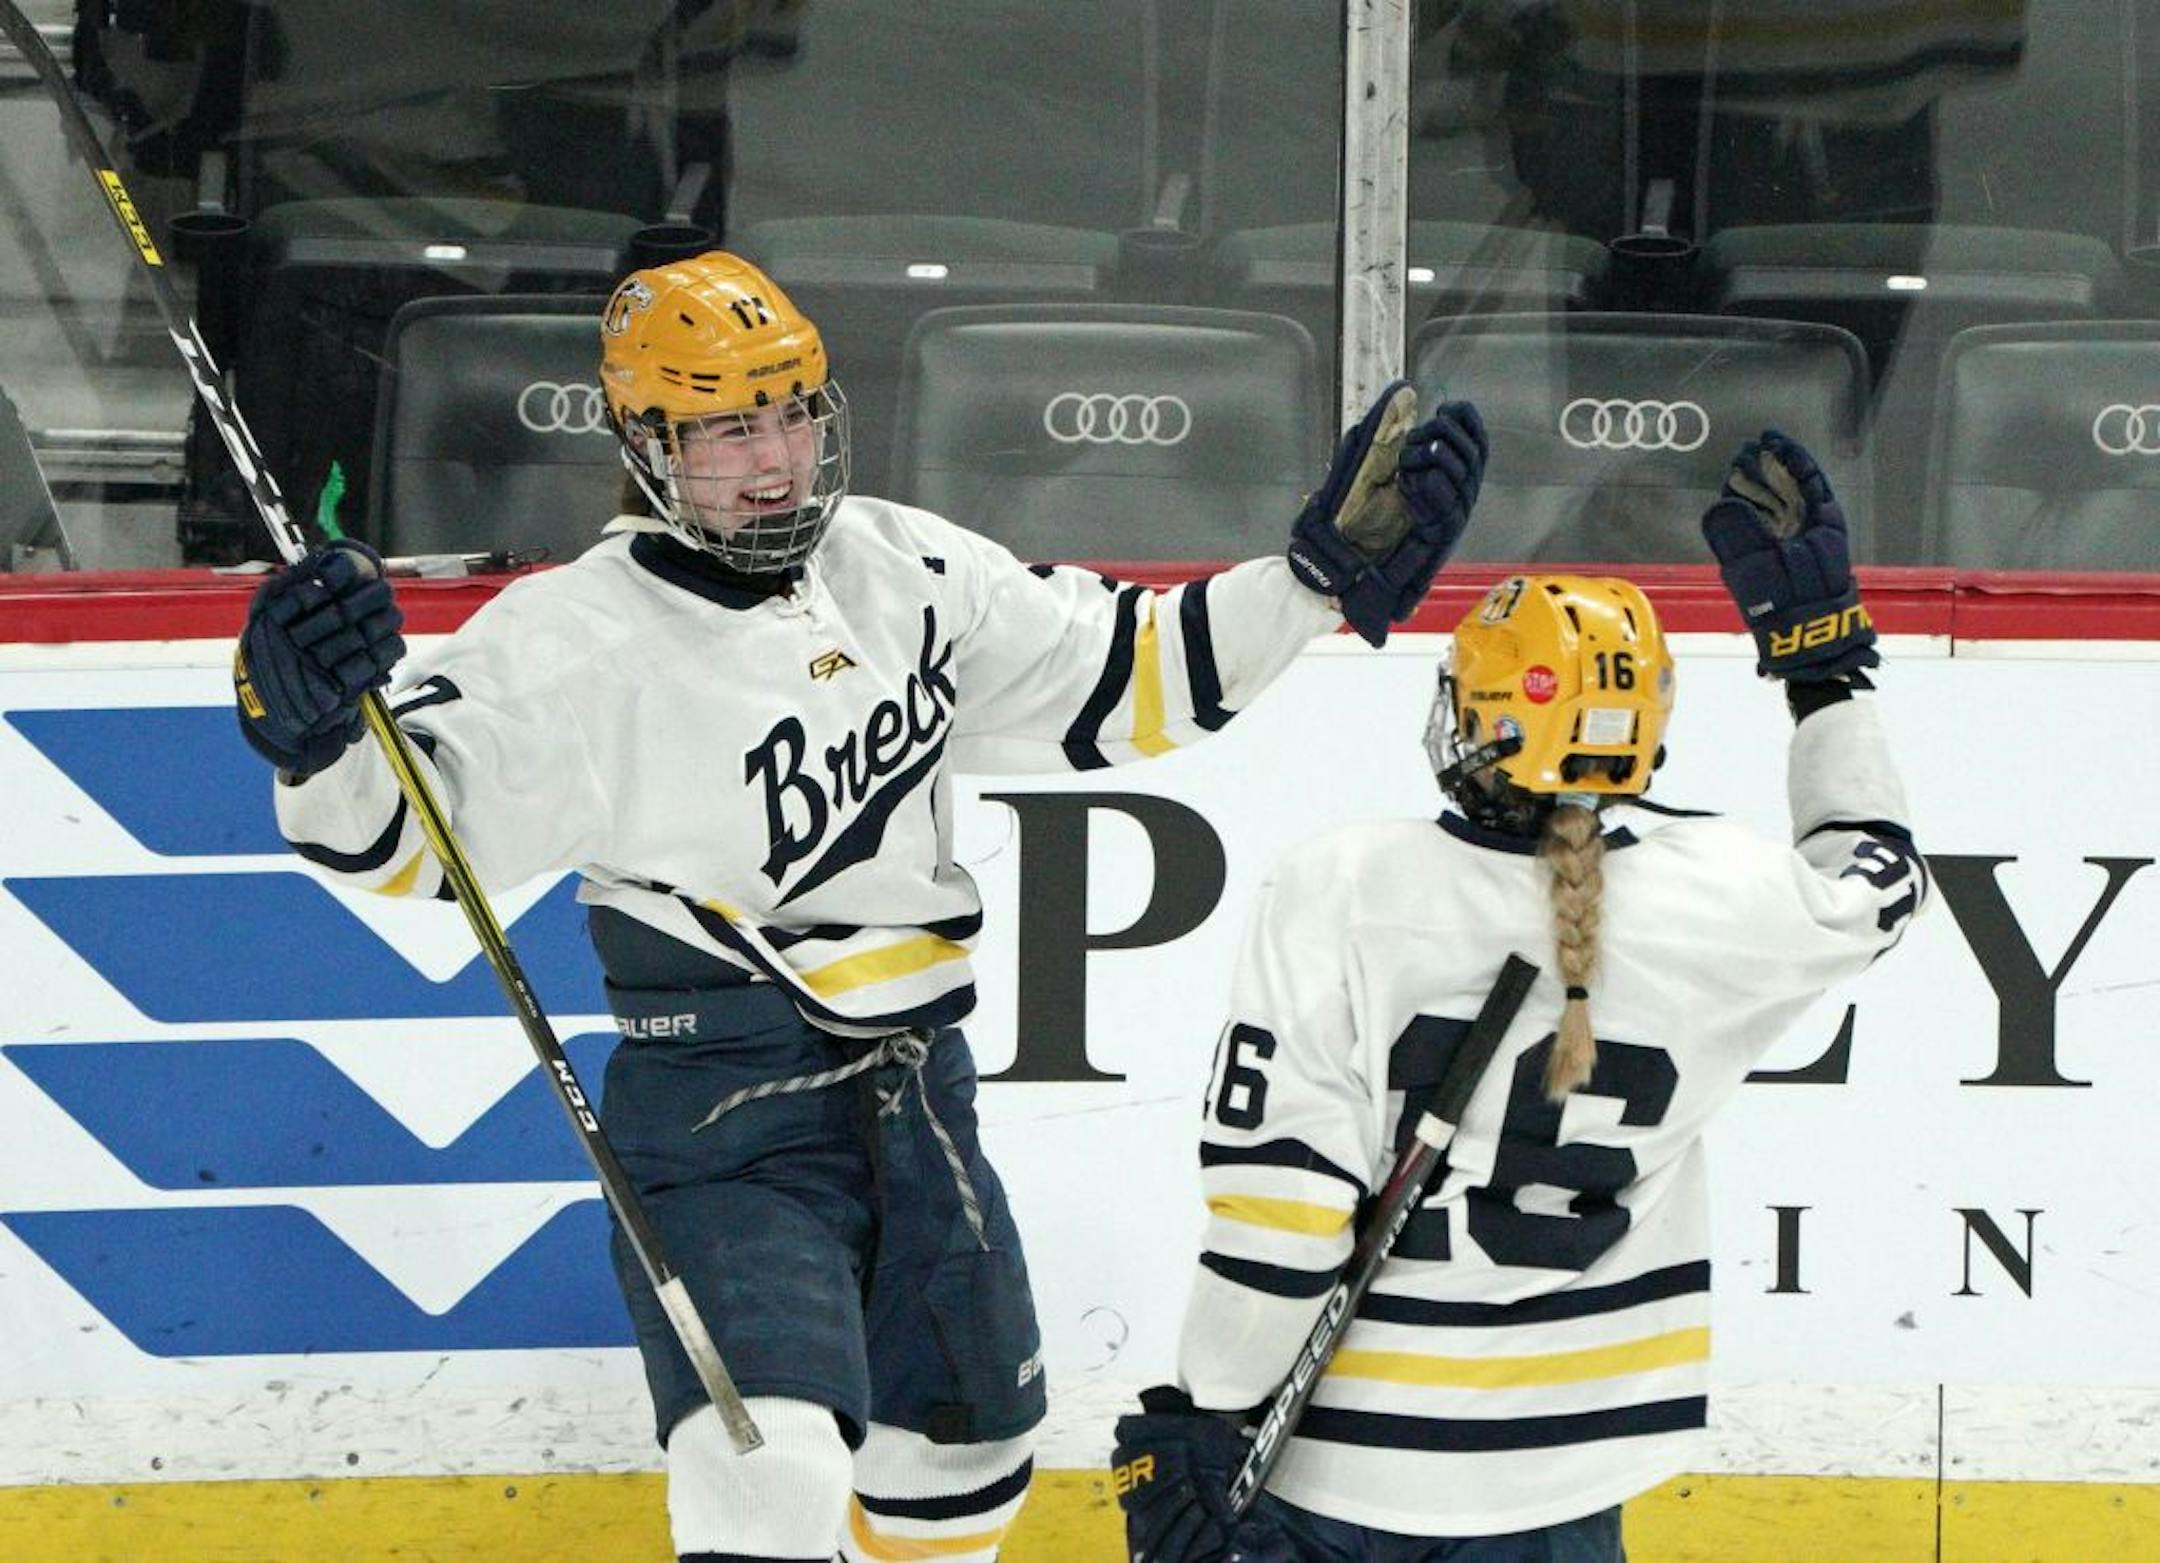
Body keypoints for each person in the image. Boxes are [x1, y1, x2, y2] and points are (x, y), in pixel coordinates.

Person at [226, 249, 1489, 1562]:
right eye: (728, 426)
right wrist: (315, 742)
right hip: (725, 1124)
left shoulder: (906, 568)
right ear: (645, 440)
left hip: (919, 1096)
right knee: (765, 1475)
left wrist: (1309, 580)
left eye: (792, 412)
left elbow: (1131, 674)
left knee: (966, 1466)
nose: (773, 458)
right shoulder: (567, 640)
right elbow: (401, 838)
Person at [1112, 432, 1927, 1562]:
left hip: (1338, 1469)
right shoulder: (1730, 899)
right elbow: (1879, 875)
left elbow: (1284, 1211)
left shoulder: (1347, 886)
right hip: (1569, 1478)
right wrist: (1820, 665)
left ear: (1479, 716)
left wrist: (1209, 1404)